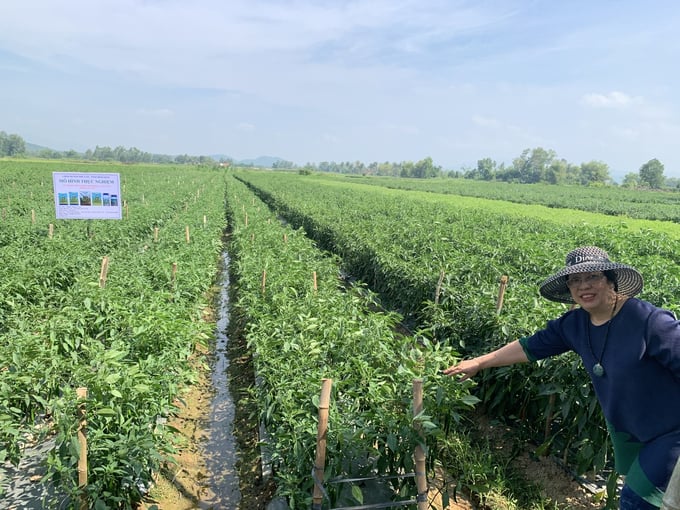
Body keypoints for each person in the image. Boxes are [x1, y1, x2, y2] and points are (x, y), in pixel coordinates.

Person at [443, 246, 680, 509]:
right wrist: (478, 362)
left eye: (593, 277)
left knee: (637, 500)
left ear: (611, 280)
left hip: (671, 432)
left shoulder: (648, 320)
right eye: (575, 280)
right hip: (634, 431)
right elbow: (529, 346)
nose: (584, 286)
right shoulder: (575, 324)